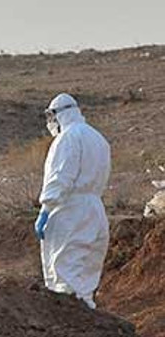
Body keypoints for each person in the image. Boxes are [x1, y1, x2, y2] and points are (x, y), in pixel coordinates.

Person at [35, 93, 111, 309]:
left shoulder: (67, 138)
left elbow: (60, 177)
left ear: (59, 115)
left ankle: (68, 320)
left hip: (69, 210)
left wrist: (46, 209)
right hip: (95, 209)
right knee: (85, 274)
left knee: (64, 272)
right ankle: (87, 315)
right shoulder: (98, 138)